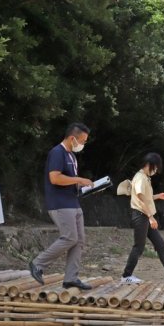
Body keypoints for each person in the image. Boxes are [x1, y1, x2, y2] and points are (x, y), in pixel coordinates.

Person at [28, 123, 94, 290]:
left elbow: (70, 181)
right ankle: (38, 264)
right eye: (82, 141)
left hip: (73, 202)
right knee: (70, 237)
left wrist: (84, 186)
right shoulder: (57, 153)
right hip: (60, 204)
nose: (83, 144)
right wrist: (79, 179)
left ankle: (71, 278)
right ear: (73, 138)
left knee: (79, 240)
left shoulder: (71, 156)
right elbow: (55, 178)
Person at [119, 153, 164, 285]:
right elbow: (139, 199)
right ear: (149, 165)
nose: (156, 171)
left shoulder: (145, 177)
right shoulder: (140, 178)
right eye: (155, 168)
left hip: (144, 215)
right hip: (141, 216)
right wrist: (151, 217)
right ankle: (126, 276)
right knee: (138, 247)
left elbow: (146, 197)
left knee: (160, 244)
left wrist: (158, 196)